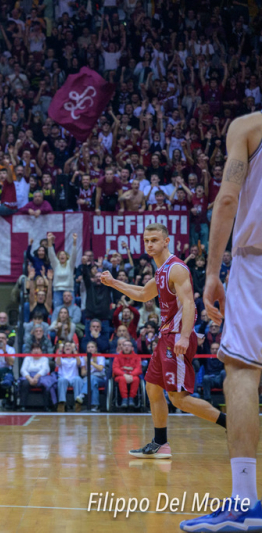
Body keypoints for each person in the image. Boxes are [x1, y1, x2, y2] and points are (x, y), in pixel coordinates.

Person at [182, 112, 262, 531]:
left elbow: (228, 199)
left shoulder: (248, 127)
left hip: (258, 264)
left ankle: (245, 502)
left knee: (243, 371)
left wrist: (212, 273)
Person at [101, 223, 226, 460]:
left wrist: (184, 336)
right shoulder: (160, 271)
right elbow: (142, 294)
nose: (149, 244)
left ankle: (231, 425)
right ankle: (160, 444)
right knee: (152, 387)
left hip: (177, 336)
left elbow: (189, 304)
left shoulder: (176, 269)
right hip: (166, 337)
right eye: (146, 240)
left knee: (179, 398)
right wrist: (114, 283)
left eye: (154, 240)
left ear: (166, 241)